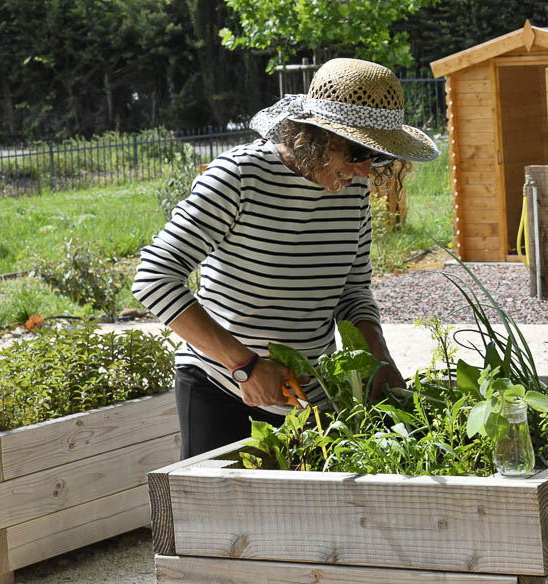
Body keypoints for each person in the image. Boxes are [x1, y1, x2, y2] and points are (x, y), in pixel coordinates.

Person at [132, 58, 439, 459]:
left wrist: (378, 362)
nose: (365, 171)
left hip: (311, 399)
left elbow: (352, 293)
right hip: (223, 387)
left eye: (377, 157)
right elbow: (154, 278)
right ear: (314, 135)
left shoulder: (351, 191)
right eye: (358, 150)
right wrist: (245, 365)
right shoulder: (239, 177)